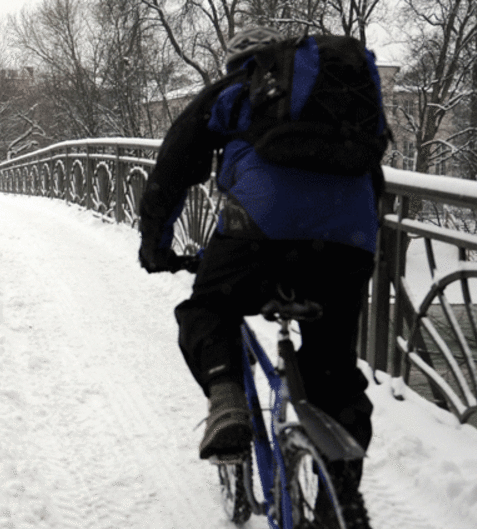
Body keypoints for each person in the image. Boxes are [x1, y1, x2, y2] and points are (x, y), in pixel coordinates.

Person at [136, 26, 383, 472]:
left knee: (208, 309)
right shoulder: (340, 101)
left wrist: (155, 246)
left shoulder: (237, 87)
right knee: (334, 371)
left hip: (261, 236)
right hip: (349, 242)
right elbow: (371, 176)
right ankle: (340, 505)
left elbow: (174, 166)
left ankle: (227, 400)